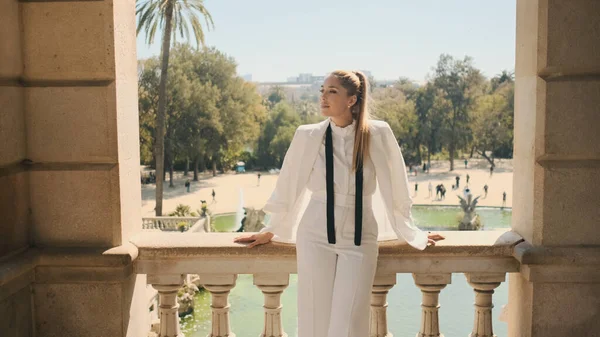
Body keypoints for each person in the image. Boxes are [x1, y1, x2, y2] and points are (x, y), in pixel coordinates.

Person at [233, 70, 444, 337]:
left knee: (351, 324)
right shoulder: (307, 135)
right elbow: (289, 184)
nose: (323, 96)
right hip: (314, 232)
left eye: (332, 91)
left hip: (361, 235)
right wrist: (271, 228)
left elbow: (396, 185)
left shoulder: (378, 133)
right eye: (322, 90)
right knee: (313, 320)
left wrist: (413, 231)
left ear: (351, 100)